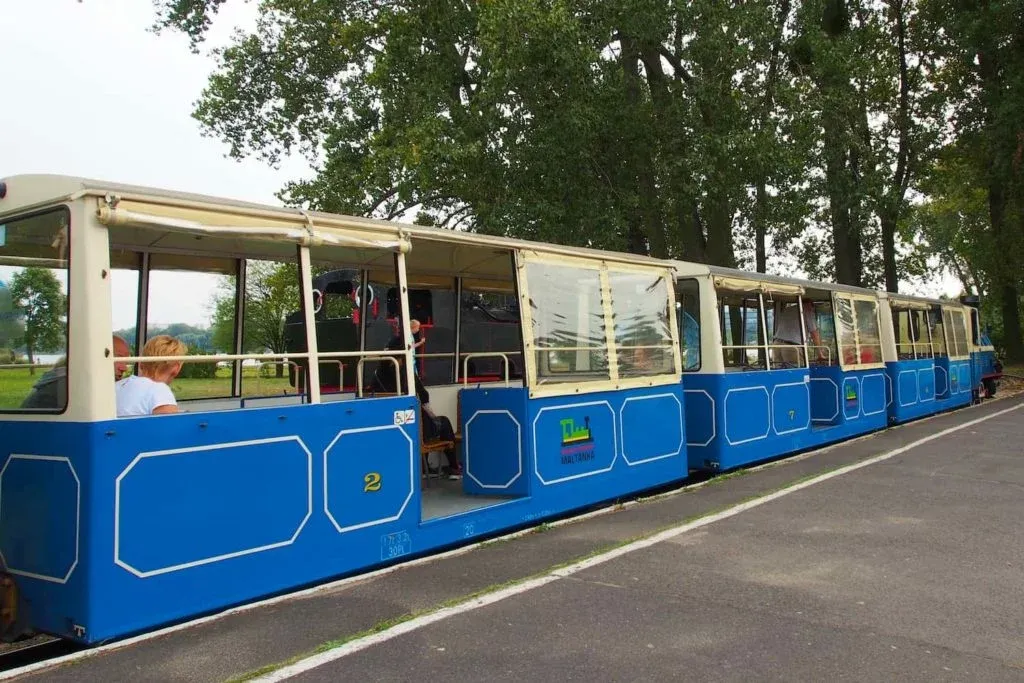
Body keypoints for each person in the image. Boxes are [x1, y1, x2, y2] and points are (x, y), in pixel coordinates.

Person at [377, 330, 462, 479]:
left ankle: (425, 468)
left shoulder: (377, 373)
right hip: (412, 425)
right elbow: (423, 396)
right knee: (442, 422)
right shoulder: (406, 373)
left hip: (386, 424)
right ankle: (454, 467)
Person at [20, 335, 131, 410]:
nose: (124, 368)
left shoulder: (68, 378)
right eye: (118, 358)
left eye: (126, 361)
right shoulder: (71, 386)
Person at [115, 335, 186, 417]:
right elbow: (171, 428)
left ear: (141, 363)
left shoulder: (117, 386)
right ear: (176, 368)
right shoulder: (160, 392)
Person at [773, 300, 823, 366]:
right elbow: (814, 333)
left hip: (776, 345)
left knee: (778, 372)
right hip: (791, 348)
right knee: (796, 373)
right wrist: (820, 354)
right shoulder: (807, 310)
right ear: (810, 304)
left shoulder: (787, 310)